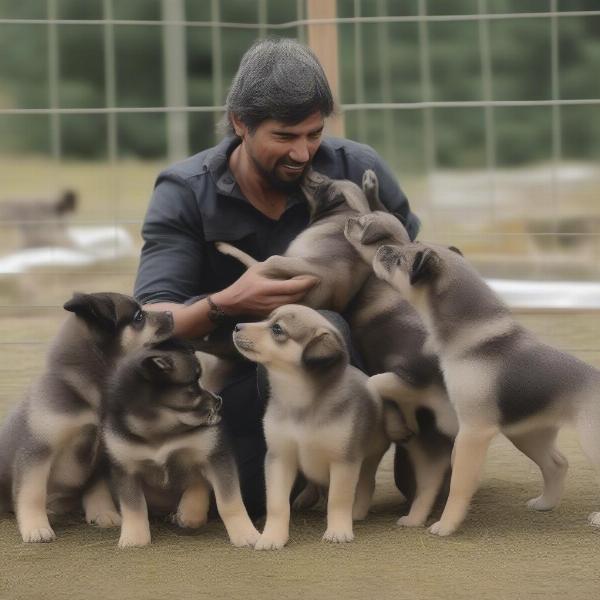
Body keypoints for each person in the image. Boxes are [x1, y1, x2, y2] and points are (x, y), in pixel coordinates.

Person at [134, 37, 420, 518]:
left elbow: (413, 274)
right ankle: (293, 465)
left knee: (333, 326)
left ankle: (384, 441)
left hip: (362, 367)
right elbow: (145, 322)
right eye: (285, 137)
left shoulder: (357, 169)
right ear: (240, 123)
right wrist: (224, 304)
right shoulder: (185, 191)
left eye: (314, 134)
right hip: (246, 376)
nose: (304, 153)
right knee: (252, 496)